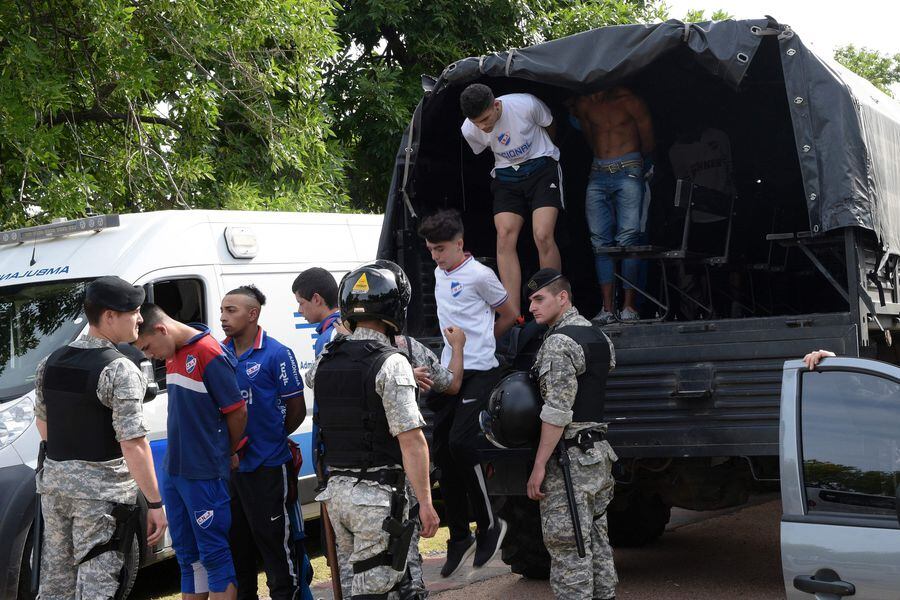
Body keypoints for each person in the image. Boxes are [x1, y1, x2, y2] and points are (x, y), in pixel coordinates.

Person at [305, 261, 440, 599]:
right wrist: (425, 503)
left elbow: (314, 380)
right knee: (387, 589)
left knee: (358, 590)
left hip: (336, 496)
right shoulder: (392, 362)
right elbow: (412, 441)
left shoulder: (325, 359)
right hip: (376, 500)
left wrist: (345, 334)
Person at [34, 276, 167, 599]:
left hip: (55, 488)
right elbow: (133, 443)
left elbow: (44, 424)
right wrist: (155, 503)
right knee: (99, 584)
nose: (140, 318)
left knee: (56, 582)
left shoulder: (50, 362)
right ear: (109, 316)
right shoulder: (119, 369)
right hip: (101, 497)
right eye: (133, 312)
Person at [418, 209, 517, 577]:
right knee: (441, 450)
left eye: (441, 249)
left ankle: (490, 524)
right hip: (450, 371)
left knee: (461, 443)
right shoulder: (438, 273)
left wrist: (483, 343)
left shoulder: (480, 275)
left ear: (460, 244)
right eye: (430, 249)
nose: (435, 256)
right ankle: (459, 535)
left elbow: (509, 313)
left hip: (480, 370)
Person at [135, 304, 248, 600]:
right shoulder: (173, 352)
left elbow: (237, 412)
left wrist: (226, 451)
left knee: (214, 557)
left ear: (161, 329)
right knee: (187, 558)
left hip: (203, 472)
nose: (149, 355)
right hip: (176, 471)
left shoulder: (208, 352)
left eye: (147, 346)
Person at [524, 268, 618, 600]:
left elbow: (557, 412)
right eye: (531, 300)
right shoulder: (598, 336)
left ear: (562, 298)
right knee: (595, 542)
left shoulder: (559, 342)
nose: (532, 307)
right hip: (598, 456)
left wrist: (538, 466)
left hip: (569, 462)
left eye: (539, 298)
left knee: (568, 551)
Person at [219, 285, 307, 600]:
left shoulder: (277, 353)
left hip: (269, 466)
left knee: (275, 550)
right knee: (237, 550)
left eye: (232, 310)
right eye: (222, 310)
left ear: (253, 314)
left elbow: (297, 409)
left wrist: (272, 436)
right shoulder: (218, 353)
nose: (224, 317)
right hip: (232, 471)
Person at [460, 83, 563, 317]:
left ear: (496, 105)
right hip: (506, 174)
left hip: (541, 165)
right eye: (478, 123)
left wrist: (545, 154)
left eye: (486, 118)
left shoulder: (525, 104)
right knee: (505, 236)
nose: (484, 127)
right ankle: (512, 311)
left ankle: (553, 301)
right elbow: (486, 149)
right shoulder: (469, 129)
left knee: (542, 233)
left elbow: (551, 125)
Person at [571, 87, 655, 323]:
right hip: (598, 172)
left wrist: (633, 162)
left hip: (629, 168)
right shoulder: (585, 104)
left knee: (628, 239)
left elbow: (648, 142)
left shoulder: (630, 100)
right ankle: (608, 308)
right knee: (600, 243)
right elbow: (590, 138)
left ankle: (629, 307)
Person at [292, 267, 345, 355]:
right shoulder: (348, 324)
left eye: (301, 303)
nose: (299, 310)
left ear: (316, 299)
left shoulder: (331, 337)